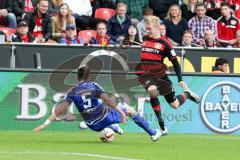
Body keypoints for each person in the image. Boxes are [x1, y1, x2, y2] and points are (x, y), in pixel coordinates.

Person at [34, 65, 161, 141]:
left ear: (76, 77)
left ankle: (114, 127)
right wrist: (121, 112)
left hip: (92, 125)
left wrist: (45, 123)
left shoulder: (72, 91)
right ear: (89, 76)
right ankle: (153, 133)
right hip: (104, 118)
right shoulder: (93, 86)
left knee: (101, 109)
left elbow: (60, 108)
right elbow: (109, 100)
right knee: (130, 110)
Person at [137, 16, 200, 135]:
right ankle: (161, 124)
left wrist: (180, 79)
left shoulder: (165, 43)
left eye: (149, 28)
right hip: (146, 76)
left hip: (160, 76)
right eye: (146, 28)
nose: (147, 31)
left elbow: (175, 62)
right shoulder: (145, 38)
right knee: (152, 90)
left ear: (156, 28)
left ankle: (187, 94)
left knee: (174, 105)